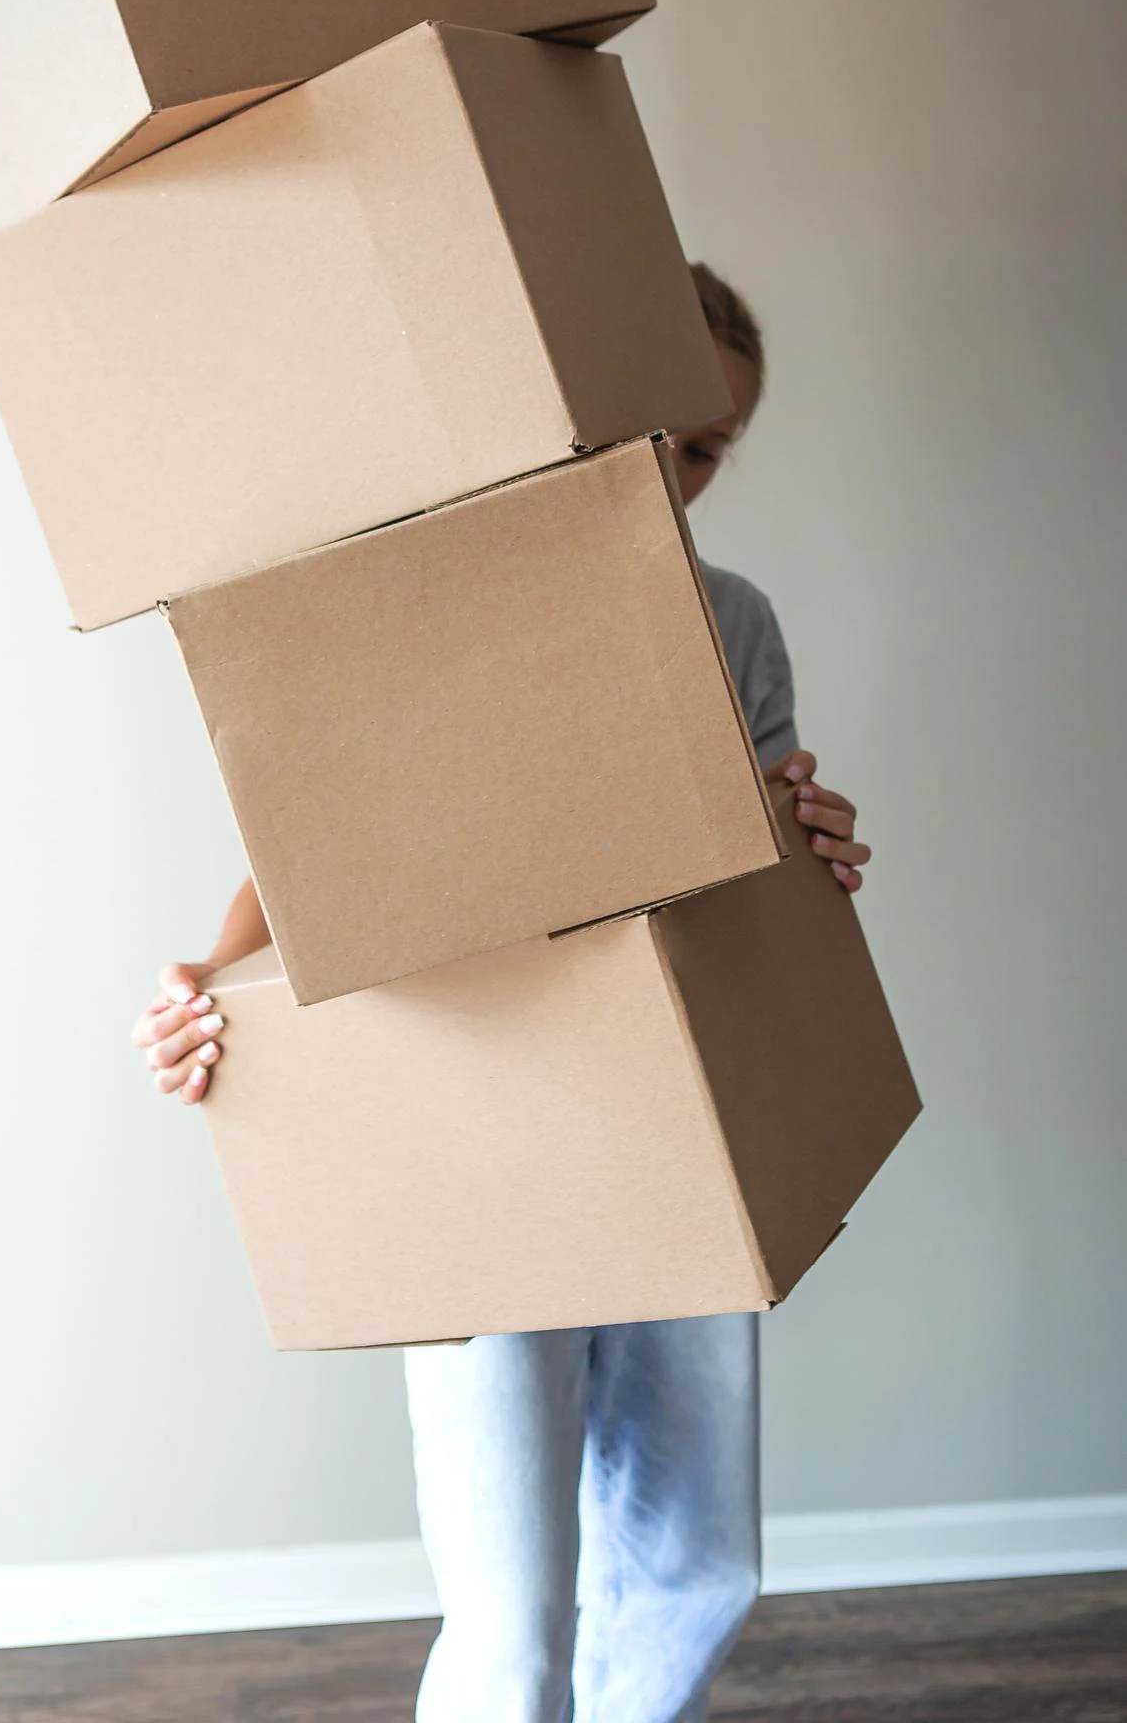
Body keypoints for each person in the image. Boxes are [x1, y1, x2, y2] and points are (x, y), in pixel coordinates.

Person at [130, 264, 873, 1722]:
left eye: (714, 448)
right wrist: (216, 988)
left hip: (678, 1127)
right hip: (480, 1125)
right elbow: (311, 861)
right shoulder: (445, 599)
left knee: (698, 1561)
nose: (678, 469)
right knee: (511, 1607)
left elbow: (774, 869)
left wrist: (818, 851)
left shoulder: (737, 623)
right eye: (653, 427)